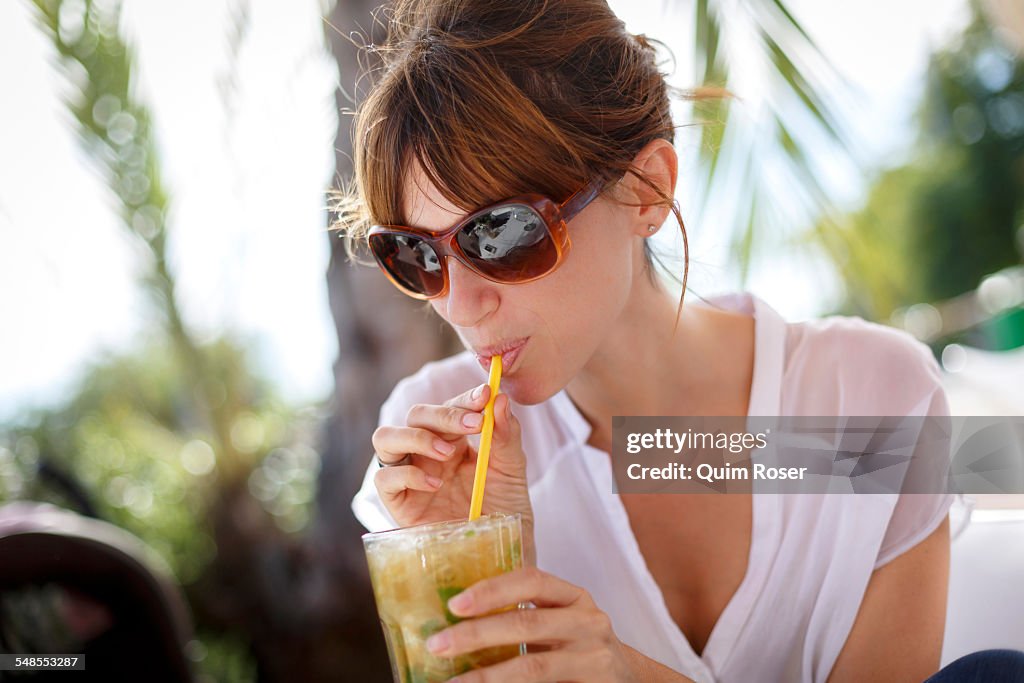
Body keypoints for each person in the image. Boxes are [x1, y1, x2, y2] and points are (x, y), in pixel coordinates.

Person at [338, 1, 1022, 681]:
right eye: (414, 254)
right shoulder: (433, 453)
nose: (458, 300)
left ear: (647, 191)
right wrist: (487, 568)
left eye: (500, 234)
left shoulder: (868, 398)